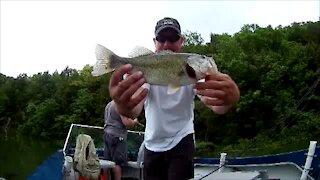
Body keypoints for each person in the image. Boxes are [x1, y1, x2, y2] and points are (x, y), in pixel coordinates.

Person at [108, 17, 240, 180]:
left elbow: (218, 106)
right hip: (151, 145)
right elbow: (133, 110)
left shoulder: (194, 74)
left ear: (181, 41)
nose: (167, 44)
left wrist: (230, 98)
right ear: (154, 42)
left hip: (182, 142)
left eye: (172, 38)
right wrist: (123, 106)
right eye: (162, 39)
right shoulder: (145, 72)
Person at [103, 100, 139, 180]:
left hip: (106, 133)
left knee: (106, 162)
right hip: (117, 136)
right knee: (117, 163)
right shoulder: (121, 104)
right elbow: (126, 122)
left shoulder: (109, 104)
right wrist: (134, 122)